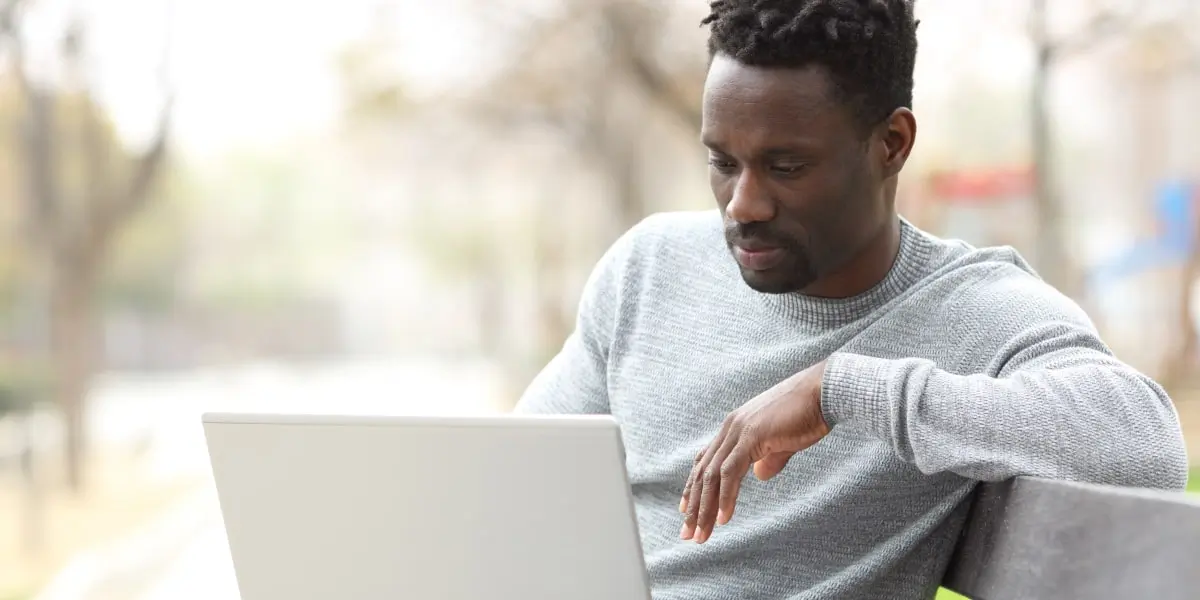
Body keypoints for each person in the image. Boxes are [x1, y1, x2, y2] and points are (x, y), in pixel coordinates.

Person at [515, 0, 1190, 598]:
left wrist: (840, 389)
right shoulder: (650, 268)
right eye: (723, 161)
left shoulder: (979, 311)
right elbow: (515, 474)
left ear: (891, 145)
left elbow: (1146, 445)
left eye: (786, 167)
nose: (743, 204)